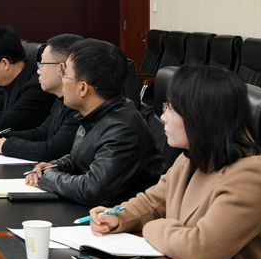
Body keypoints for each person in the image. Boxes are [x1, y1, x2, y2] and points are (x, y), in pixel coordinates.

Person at [90, 65, 261, 259]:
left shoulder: (251, 176)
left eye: (171, 109)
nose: (163, 117)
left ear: (202, 116)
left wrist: (154, 227)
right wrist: (118, 216)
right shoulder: (192, 158)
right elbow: (153, 202)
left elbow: (201, 250)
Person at [26, 39, 163, 206]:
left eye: (65, 74)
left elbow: (93, 190)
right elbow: (79, 157)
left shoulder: (122, 129)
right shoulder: (95, 112)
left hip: (119, 217)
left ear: (83, 88)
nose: (61, 80)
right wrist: (53, 166)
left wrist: (48, 178)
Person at [0, 33, 83, 161]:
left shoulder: (78, 105)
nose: (38, 71)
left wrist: (6, 145)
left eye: (42, 64)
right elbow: (41, 134)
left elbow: (53, 151)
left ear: (61, 68)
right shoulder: (61, 99)